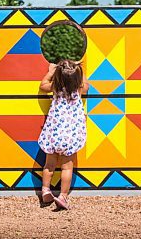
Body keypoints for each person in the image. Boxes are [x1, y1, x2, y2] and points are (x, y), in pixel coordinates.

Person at [38, 59, 89, 210]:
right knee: (67, 168)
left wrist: (52, 70)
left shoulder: (56, 88)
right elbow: (86, 86)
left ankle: (46, 190)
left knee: (49, 164)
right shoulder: (78, 90)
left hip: (54, 135)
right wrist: (81, 70)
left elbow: (42, 85)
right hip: (70, 137)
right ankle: (63, 196)